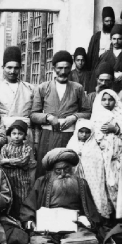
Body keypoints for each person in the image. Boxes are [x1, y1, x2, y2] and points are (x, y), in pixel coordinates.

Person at [30, 50, 90, 178]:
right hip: (48, 137)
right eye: (60, 68)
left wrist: (74, 117)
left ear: (71, 68)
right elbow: (33, 114)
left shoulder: (77, 88)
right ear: (53, 68)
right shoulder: (43, 88)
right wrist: (48, 117)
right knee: (47, 172)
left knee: (67, 171)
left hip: (70, 137)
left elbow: (87, 112)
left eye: (67, 68)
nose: (63, 72)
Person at [20, 148, 103, 238]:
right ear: (52, 170)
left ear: (71, 168)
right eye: (58, 170)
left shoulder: (81, 183)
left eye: (66, 168)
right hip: (48, 226)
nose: (63, 173)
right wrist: (30, 223)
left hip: (75, 225)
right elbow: (29, 206)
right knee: (40, 243)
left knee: (81, 239)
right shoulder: (41, 182)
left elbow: (90, 210)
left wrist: (85, 220)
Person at [91, 89, 122, 219]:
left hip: (116, 160)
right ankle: (104, 217)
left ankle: (118, 217)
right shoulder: (97, 116)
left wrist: (116, 129)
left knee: (115, 187)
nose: (107, 102)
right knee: (102, 187)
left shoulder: (120, 116)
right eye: (104, 99)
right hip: (101, 160)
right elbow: (92, 136)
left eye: (110, 99)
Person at [0, 46, 35, 141]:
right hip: (4, 132)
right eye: (9, 68)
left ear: (20, 68)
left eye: (16, 68)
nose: (12, 71)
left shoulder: (30, 88)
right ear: (3, 68)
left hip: (25, 133)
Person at [66, 119, 108, 219]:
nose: (84, 135)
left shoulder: (94, 146)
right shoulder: (72, 144)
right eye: (81, 132)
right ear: (77, 132)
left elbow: (97, 163)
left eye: (87, 132)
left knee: (92, 194)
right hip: (76, 176)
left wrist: (85, 158)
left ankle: (95, 215)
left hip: (90, 178)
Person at [0, 120, 35, 219]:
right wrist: (16, 163)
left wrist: (8, 161)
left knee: (22, 200)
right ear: (10, 134)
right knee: (10, 199)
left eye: (20, 133)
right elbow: (2, 162)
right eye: (14, 133)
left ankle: (24, 221)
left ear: (24, 135)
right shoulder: (5, 148)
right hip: (8, 179)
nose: (17, 136)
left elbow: (24, 161)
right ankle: (10, 220)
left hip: (22, 180)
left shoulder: (27, 148)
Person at [93, 24, 122, 93]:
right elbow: (98, 74)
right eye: (114, 39)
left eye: (119, 39)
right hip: (107, 89)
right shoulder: (104, 56)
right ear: (111, 39)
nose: (116, 42)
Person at [87, 6, 116, 93]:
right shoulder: (96, 37)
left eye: (111, 21)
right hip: (97, 70)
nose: (109, 23)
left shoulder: (116, 37)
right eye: (107, 21)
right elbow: (90, 57)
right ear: (103, 21)